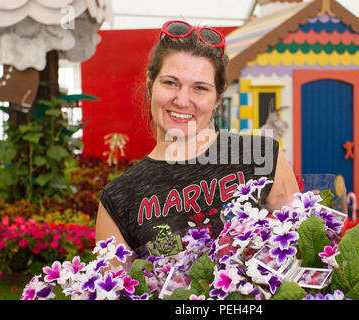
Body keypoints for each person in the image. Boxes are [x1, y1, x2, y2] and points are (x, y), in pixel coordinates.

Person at [95, 20, 300, 267]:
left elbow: (300, 258)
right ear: (151, 86)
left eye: (200, 88)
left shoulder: (261, 156)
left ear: (217, 99)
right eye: (170, 82)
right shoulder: (119, 198)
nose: (182, 101)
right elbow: (112, 289)